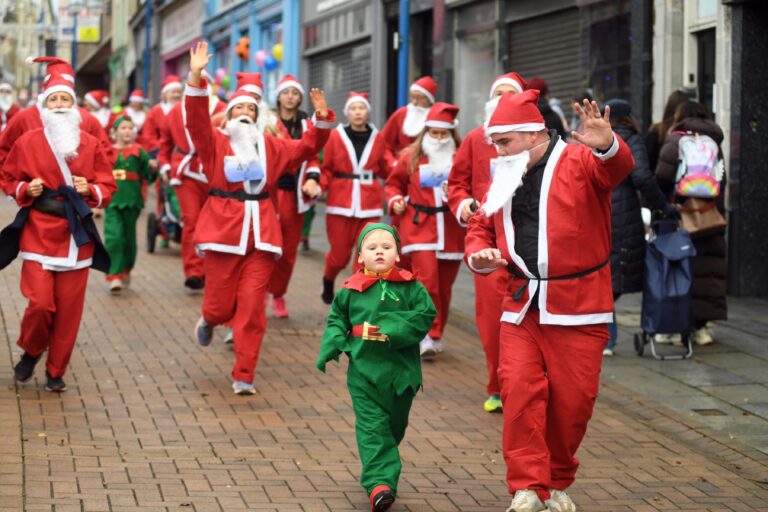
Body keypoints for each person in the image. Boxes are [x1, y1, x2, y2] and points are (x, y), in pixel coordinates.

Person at [465, 90, 634, 512]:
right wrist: (479, 257)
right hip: (520, 302)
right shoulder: (503, 172)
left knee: (573, 403)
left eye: (504, 142)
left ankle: (556, 482)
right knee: (518, 393)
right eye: (495, 143)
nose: (498, 151)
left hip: (580, 304)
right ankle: (526, 486)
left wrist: (609, 144)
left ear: (533, 134)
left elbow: (617, 169)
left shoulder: (579, 160)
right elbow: (481, 226)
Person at [183, 42, 335, 395]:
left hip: (263, 234)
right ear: (230, 113)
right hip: (223, 230)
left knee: (252, 309)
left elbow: (307, 148)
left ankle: (244, 374)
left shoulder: (272, 147)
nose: (246, 112)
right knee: (220, 304)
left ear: (259, 114)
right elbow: (194, 118)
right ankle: (210, 319)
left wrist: (322, 118)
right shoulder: (214, 142)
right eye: (240, 107)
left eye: (252, 107)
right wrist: (195, 75)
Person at [0, 73, 116, 392]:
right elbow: (9, 177)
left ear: (75, 106)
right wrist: (26, 187)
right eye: (54, 99)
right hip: (39, 233)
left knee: (67, 313)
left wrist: (90, 189)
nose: (61, 105)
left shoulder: (90, 144)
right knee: (39, 304)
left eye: (66, 99)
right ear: (44, 107)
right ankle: (32, 350)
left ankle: (56, 370)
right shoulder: (28, 142)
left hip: (76, 237)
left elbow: (108, 184)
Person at [317, 223, 436, 512]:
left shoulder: (412, 287)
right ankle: (380, 485)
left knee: (394, 427)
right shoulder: (348, 291)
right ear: (360, 257)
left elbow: (425, 315)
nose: (379, 252)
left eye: (386, 247)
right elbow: (337, 320)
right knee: (373, 428)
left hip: (401, 374)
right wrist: (335, 341)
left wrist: (389, 328)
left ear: (397, 255)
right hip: (364, 373)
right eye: (372, 248)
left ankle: (382, 464)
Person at [447, 71, 526, 413]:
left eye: (512, 94)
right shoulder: (475, 140)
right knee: (492, 316)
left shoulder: (534, 140)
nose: (504, 98)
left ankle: (524, 383)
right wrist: (464, 206)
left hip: (527, 239)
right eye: (500, 93)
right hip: (488, 238)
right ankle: (497, 384)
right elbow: (456, 183)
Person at [386, 102, 464, 360]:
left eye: (444, 134)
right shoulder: (411, 156)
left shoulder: (461, 157)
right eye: (434, 133)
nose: (439, 138)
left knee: (444, 287)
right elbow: (394, 184)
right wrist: (395, 200)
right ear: (425, 132)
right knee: (426, 282)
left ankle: (437, 332)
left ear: (452, 134)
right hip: (419, 227)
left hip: (451, 229)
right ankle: (425, 334)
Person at [601, 99, 677, 356]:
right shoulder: (632, 140)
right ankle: (607, 337)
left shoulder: (598, 138)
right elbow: (642, 177)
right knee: (615, 280)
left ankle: (606, 337)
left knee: (604, 276)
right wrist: (663, 206)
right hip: (624, 215)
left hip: (598, 212)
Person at [655, 100, 727, 346]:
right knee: (709, 273)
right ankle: (702, 329)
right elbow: (722, 179)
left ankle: (677, 326)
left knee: (681, 271)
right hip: (710, 216)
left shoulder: (676, 140)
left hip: (682, 217)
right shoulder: (714, 141)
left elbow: (662, 178)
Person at [158, 71, 227, 291]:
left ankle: (211, 270)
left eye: (204, 82)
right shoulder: (177, 110)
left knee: (216, 223)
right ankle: (194, 271)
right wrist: (166, 165)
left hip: (215, 172)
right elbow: (165, 144)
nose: (200, 85)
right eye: (196, 81)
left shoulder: (224, 109)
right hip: (185, 172)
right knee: (192, 221)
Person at [320, 91, 389, 304]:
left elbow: (387, 167)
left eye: (361, 108)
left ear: (367, 112)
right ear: (347, 112)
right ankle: (328, 278)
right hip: (340, 203)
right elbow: (327, 169)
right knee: (339, 256)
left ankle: (357, 299)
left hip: (370, 204)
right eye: (353, 108)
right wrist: (317, 186)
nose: (358, 112)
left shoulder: (377, 137)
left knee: (366, 255)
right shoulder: (335, 136)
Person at [269, 74, 323, 318]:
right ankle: (257, 290)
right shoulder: (268, 120)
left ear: (300, 98)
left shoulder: (305, 124)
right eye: (286, 92)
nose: (290, 97)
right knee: (263, 244)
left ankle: (278, 294)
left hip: (294, 193)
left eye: (295, 93)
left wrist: (312, 178)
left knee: (288, 249)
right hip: (268, 191)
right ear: (278, 96)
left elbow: (312, 153)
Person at [0, 57, 113, 167]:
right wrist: (18, 184)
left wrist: (90, 183)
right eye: (54, 96)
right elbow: (3, 151)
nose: (59, 104)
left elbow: (106, 158)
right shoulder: (24, 117)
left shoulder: (88, 120)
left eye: (64, 96)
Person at [104, 116, 157, 292]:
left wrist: (153, 167)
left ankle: (126, 268)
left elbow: (148, 174)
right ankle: (114, 275)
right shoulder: (107, 152)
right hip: (113, 201)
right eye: (123, 128)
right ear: (115, 132)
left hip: (132, 200)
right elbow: (100, 173)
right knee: (114, 238)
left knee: (129, 239)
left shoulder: (139, 151)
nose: (127, 131)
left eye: (130, 128)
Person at [380, 76, 438, 170]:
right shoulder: (400, 115)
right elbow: (384, 144)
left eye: (420, 98)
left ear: (430, 99)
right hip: (402, 169)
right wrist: (393, 163)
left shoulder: (438, 117)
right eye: (412, 97)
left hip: (429, 171)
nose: (414, 102)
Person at [645, 89, 688, 172]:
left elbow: (648, 162)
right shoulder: (689, 132)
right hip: (687, 182)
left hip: (659, 180)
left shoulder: (656, 131)